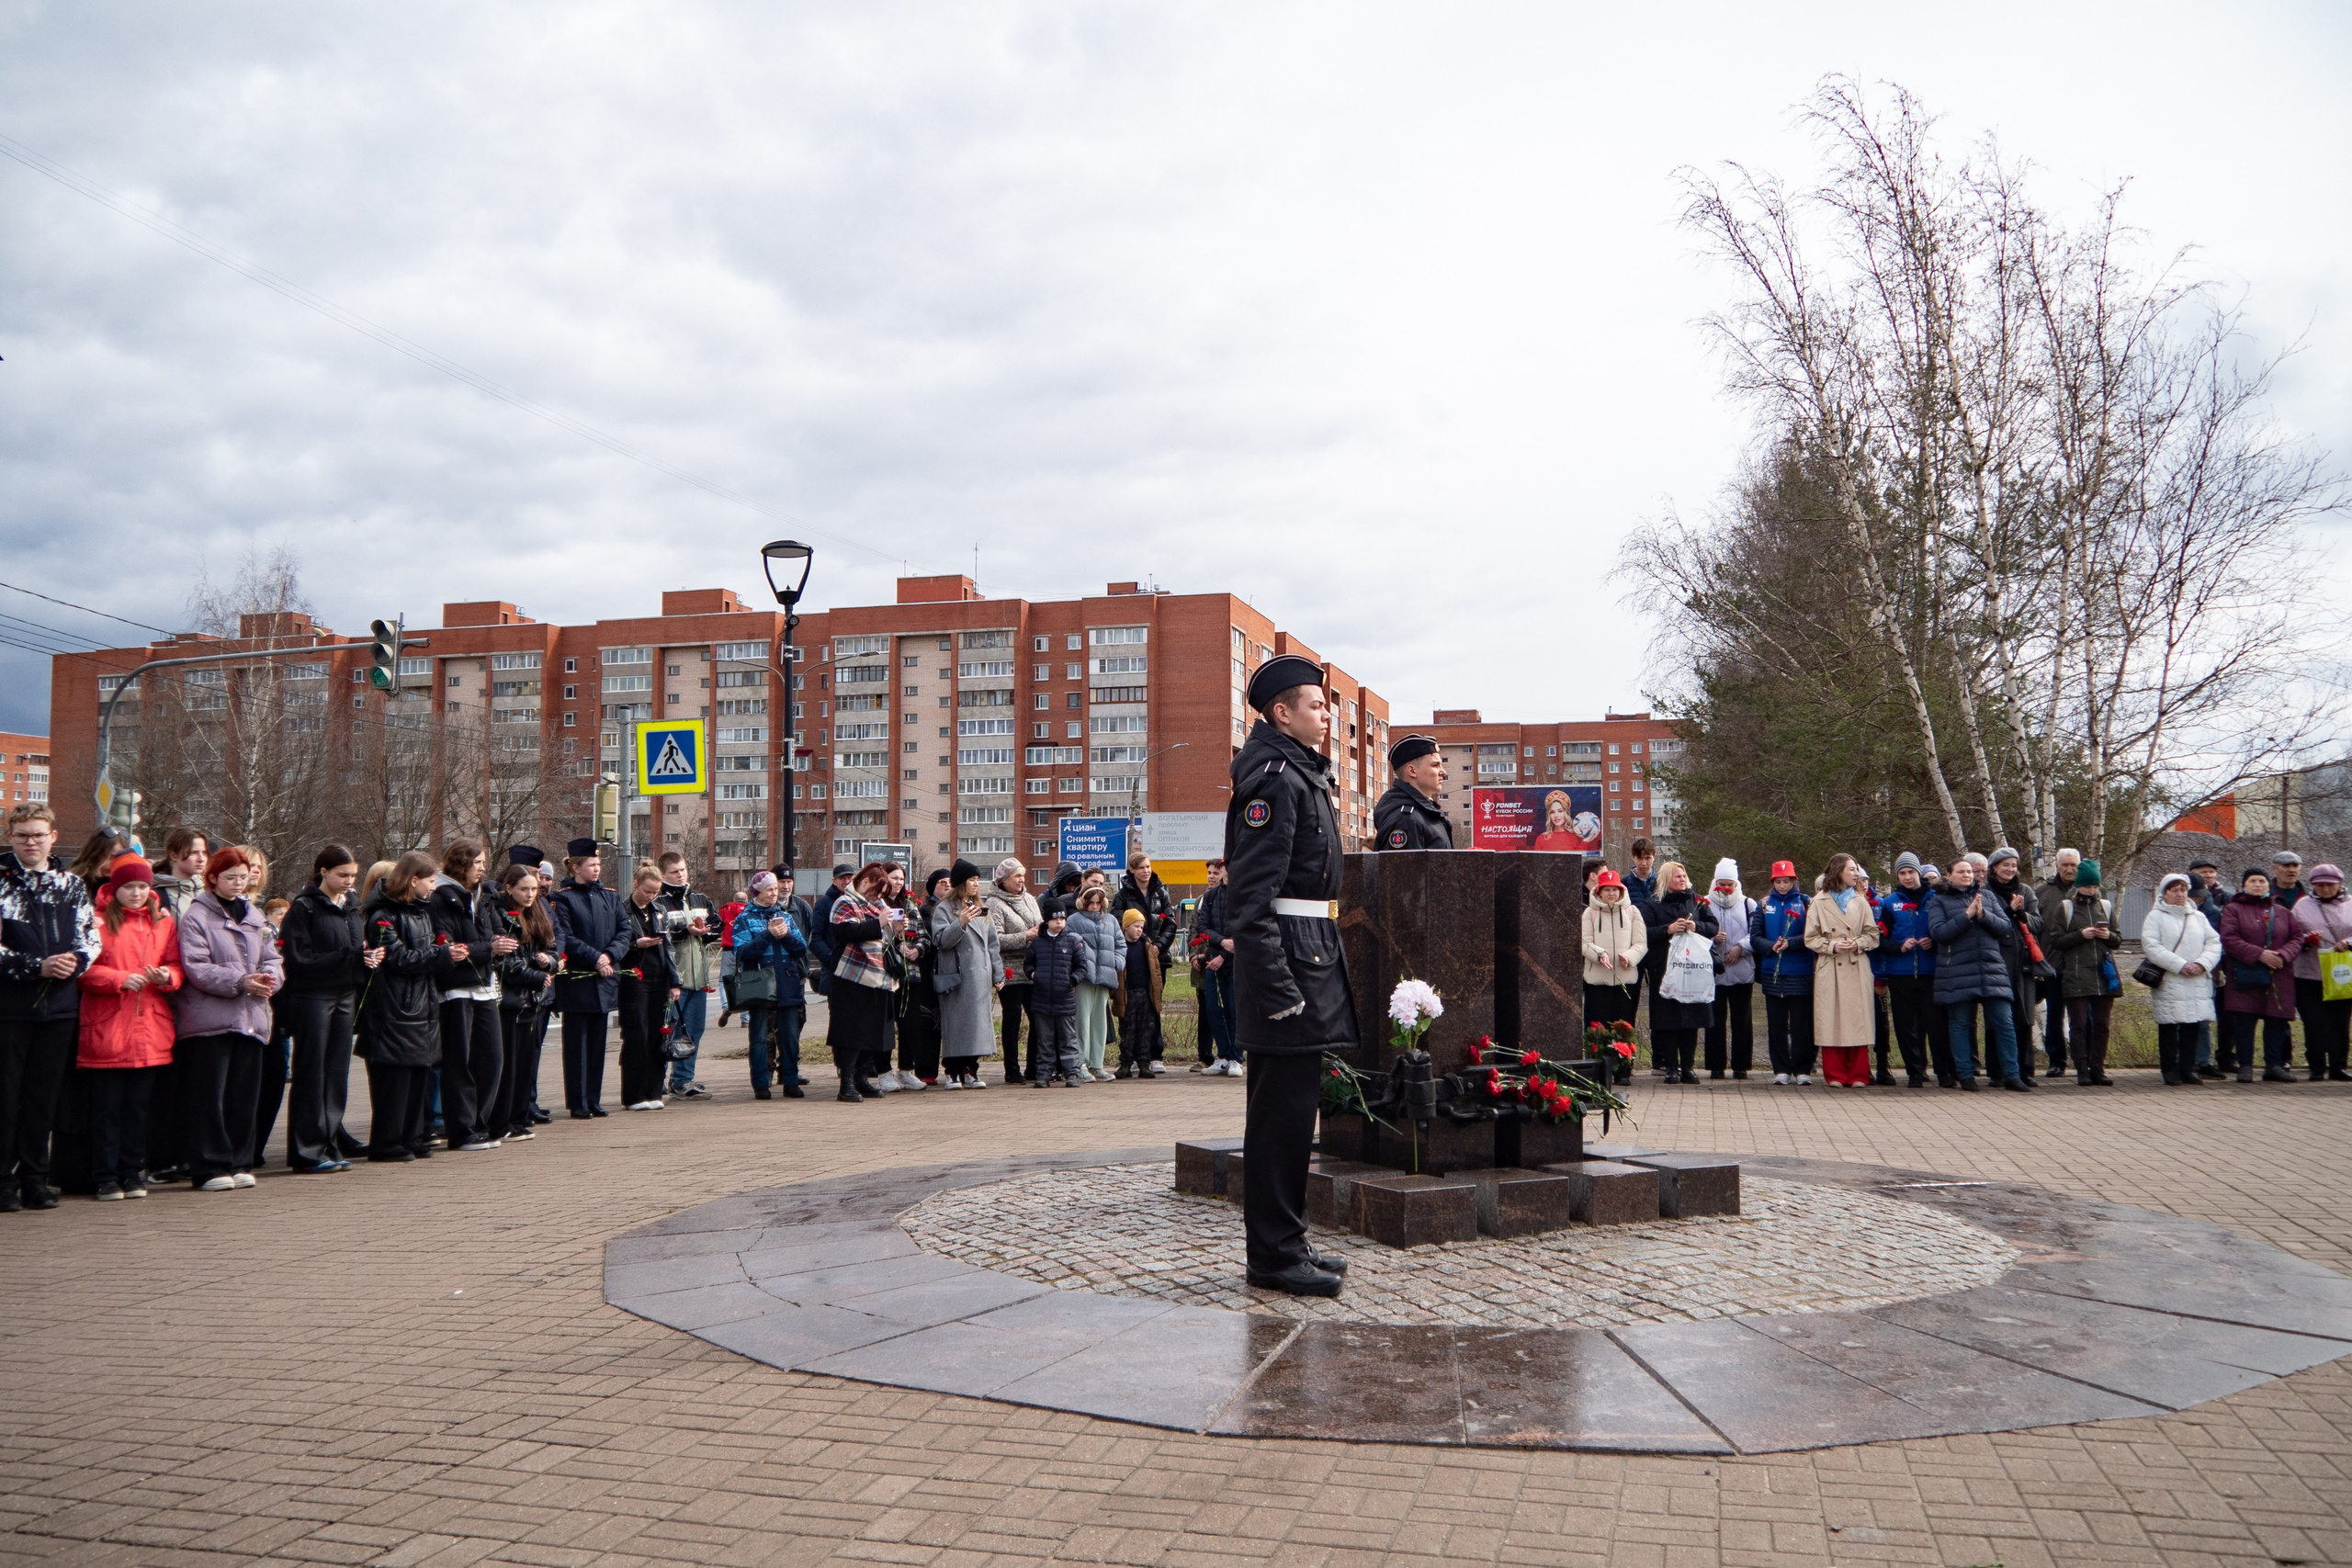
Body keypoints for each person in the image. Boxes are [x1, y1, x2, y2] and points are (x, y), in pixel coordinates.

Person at [1226, 652, 1357, 1298]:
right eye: (1315, 704)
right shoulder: (1276, 777)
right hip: (1290, 967)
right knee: (1279, 1119)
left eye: (1327, 704)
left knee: (1293, 1113)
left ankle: (1288, 1238)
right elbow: (1251, 899)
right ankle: (1273, 1256)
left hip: (1309, 953)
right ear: (1281, 712)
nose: (1327, 713)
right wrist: (1277, 989)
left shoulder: (1301, 771)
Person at [0, 804, 101, 1212]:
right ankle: (3, 1183)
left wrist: (74, 962)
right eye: (23, 834)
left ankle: (36, 1181)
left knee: (44, 1099)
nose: (31, 842)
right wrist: (33, 966)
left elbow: (90, 938)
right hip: (9, 1007)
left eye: (38, 834)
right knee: (6, 1099)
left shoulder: (70, 884)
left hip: (58, 1009)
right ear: (11, 835)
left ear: (53, 837)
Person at [171, 844, 283, 1191]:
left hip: (251, 1016)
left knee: (243, 1094)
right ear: (213, 878)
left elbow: (272, 958)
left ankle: (239, 1161)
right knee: (209, 1095)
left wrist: (269, 980)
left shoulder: (255, 916)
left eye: (243, 878)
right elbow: (197, 967)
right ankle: (208, 1166)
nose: (238, 884)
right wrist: (240, 981)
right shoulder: (198, 916)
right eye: (230, 878)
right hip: (210, 1019)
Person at [75, 855, 182, 1200]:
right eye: (129, 887)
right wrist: (120, 979)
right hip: (108, 1028)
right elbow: (82, 969)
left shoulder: (162, 921)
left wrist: (168, 977)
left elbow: (175, 964)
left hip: (150, 1029)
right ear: (114, 888)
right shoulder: (97, 920)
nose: (137, 893)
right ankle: (105, 1175)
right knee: (107, 1110)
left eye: (142, 886)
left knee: (138, 1109)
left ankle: (131, 1172)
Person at [277, 845, 373, 1172]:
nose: (349, 881)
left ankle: (329, 1144)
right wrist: (351, 957)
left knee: (336, 1073)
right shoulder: (305, 908)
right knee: (311, 1072)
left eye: (353, 876)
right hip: (313, 997)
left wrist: (369, 960)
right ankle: (306, 1151)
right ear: (323, 872)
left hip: (345, 994)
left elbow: (357, 950)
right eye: (341, 875)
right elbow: (299, 960)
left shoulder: (351, 907)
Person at [356, 852, 442, 1160]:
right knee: (394, 1081)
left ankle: (412, 1136)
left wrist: (441, 955)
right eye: (431, 880)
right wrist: (442, 957)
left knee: (418, 1075)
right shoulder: (382, 916)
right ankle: (388, 1142)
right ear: (414, 880)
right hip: (394, 1008)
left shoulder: (420, 912)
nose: (434, 887)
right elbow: (397, 958)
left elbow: (426, 951)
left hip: (421, 1006)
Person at [429, 840, 508, 1149]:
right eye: (478, 863)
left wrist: (492, 947)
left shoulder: (482, 896)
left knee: (491, 1058)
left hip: (485, 986)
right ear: (461, 863)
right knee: (459, 1062)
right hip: (456, 990)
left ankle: (479, 1123)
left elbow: (488, 935)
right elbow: (449, 947)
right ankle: (461, 1130)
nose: (483, 868)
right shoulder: (440, 898)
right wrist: (488, 949)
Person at [548, 840, 630, 1118]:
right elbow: (566, 937)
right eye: (591, 865)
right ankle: (578, 1101)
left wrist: (609, 955)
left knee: (597, 1044)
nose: (597, 869)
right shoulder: (563, 898)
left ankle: (594, 1098)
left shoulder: (610, 896)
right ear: (575, 867)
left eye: (598, 864)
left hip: (604, 979)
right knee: (576, 1046)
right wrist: (595, 958)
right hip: (579, 981)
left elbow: (624, 931)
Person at [1928, 857, 2022, 1090]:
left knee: (2004, 1023)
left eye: (1970, 871)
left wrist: (1982, 915)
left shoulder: (1987, 897)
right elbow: (1939, 933)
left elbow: (2005, 928)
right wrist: (1967, 915)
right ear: (1948, 875)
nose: (1968, 875)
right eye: (1961, 872)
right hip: (1957, 971)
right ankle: (1966, 1075)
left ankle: (2012, 1074)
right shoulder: (1938, 901)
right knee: (1960, 1024)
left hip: (1990, 968)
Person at [2217, 867, 2308, 1082]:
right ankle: (2245, 1066)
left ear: (2269, 885)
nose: (2258, 885)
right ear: (2244, 885)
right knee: (2245, 1021)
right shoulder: (2233, 909)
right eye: (2253, 881)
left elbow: (2297, 938)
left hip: (2279, 974)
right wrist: (2259, 954)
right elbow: (2229, 938)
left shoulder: (2282, 911)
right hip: (2247, 973)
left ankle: (2274, 1066)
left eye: (2262, 881)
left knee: (2276, 1021)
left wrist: (2283, 955)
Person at [490, 862, 557, 1138]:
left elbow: (551, 948)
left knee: (525, 1064)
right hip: (510, 1000)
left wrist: (550, 962)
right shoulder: (502, 916)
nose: (531, 894)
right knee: (508, 1065)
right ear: (509, 888)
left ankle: (518, 1118)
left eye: (533, 889)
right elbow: (507, 964)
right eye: (524, 889)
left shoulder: (537, 912)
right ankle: (501, 1121)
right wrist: (536, 976)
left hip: (532, 1001)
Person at [825, 863, 901, 1101]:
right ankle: (845, 1084)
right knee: (851, 1033)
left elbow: (886, 939)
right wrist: (878, 923)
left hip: (877, 978)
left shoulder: (877, 904)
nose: (877, 898)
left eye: (881, 895)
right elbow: (847, 933)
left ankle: (861, 1079)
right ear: (865, 882)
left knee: (870, 1033)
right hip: (851, 978)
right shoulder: (843, 902)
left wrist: (897, 929)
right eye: (875, 892)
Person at [1803, 852, 1878, 1088]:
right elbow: (1810, 937)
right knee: (1831, 1019)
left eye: (1857, 870)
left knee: (1858, 1020)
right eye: (1852, 870)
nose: (1857, 874)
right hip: (1830, 965)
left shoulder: (1860, 900)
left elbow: (1873, 935)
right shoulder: (1819, 901)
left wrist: (1857, 943)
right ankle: (1834, 1074)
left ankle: (1858, 1074)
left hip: (1856, 964)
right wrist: (1832, 945)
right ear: (1839, 872)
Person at [2044, 858, 2122, 1087]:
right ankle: (2081, 1069)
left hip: (2103, 975)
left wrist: (2107, 936)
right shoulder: (2066, 907)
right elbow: (2056, 941)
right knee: (2078, 1025)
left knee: (2102, 1025)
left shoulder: (2105, 906)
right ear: (2078, 885)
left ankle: (2097, 1067)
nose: (2091, 890)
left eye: (2095, 886)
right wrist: (2081, 935)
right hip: (2075, 974)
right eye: (2088, 886)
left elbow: (2117, 939)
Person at [732, 871, 808, 1100]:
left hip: (787, 981)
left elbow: (801, 948)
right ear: (757, 892)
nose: (774, 893)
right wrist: (767, 934)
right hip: (760, 983)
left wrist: (785, 936)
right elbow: (743, 952)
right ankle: (761, 1084)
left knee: (790, 1035)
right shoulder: (745, 918)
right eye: (769, 889)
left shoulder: (785, 916)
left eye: (775, 888)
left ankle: (790, 1081)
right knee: (759, 1037)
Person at [1638, 861, 1716, 1084]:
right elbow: (1643, 934)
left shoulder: (1697, 902)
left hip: (1692, 970)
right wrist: (1668, 929)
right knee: (1668, 1021)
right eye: (1677, 877)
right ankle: (1671, 1067)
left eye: (1684, 875)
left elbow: (1713, 927)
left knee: (1691, 1019)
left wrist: (1696, 927)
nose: (1682, 879)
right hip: (1664, 969)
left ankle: (1688, 1067)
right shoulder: (1652, 904)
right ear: (1665, 881)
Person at [2143, 873, 2222, 1086]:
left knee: (2193, 1025)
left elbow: (2214, 942)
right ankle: (2169, 1070)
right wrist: (2180, 965)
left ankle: (2188, 1068)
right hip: (2171, 978)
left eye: (2183, 890)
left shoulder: (2198, 917)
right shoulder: (2155, 917)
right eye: (2174, 890)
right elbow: (2152, 946)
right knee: (2169, 1025)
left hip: (2197, 978)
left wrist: (2201, 964)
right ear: (2165, 893)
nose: (2180, 894)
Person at [615, 863, 682, 1111]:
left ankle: (654, 1091)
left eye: (655, 892)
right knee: (636, 1034)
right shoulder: (622, 910)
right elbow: (618, 944)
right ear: (636, 885)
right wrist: (636, 944)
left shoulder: (659, 910)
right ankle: (633, 1094)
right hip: (634, 979)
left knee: (658, 1034)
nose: (651, 896)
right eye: (647, 891)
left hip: (659, 978)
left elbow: (669, 949)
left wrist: (675, 981)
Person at [930, 860, 1001, 1090]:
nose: (976, 885)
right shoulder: (944, 909)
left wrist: (997, 973)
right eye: (972, 880)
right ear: (961, 883)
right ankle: (952, 1071)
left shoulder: (980, 907)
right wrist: (960, 922)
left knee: (977, 1027)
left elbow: (992, 944)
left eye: (978, 880)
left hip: (979, 977)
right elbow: (940, 941)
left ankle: (971, 1070)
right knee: (957, 1026)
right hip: (957, 977)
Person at [654, 852, 718, 1099]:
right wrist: (684, 931)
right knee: (666, 1031)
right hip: (672, 979)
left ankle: (683, 1080)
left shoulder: (700, 898)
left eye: (683, 870)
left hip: (698, 978)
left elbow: (717, 925)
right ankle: (657, 1080)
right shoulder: (658, 901)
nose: (680, 875)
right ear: (663, 875)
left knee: (693, 1031)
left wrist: (707, 931)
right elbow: (660, 935)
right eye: (674, 872)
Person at [1982, 849, 2043, 1087]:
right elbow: (1986, 922)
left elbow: (2038, 923)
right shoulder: (1984, 892)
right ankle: (1996, 1072)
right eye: (2005, 865)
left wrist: (2021, 912)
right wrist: (2009, 912)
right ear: (1994, 867)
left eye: (2014, 865)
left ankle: (2025, 1070)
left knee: (2024, 1016)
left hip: (2024, 962)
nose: (2010, 869)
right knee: (1997, 1017)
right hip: (1995, 961)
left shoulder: (2025, 891)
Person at [1875, 854, 1937, 1087]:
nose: (1908, 877)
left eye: (1911, 872)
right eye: (1902, 873)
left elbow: (1943, 930)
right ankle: (1914, 1071)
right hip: (1900, 972)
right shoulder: (1890, 902)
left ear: (1919, 872)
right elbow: (1880, 939)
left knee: (1933, 1022)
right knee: (1905, 1024)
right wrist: (1899, 946)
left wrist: (1934, 942)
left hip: (1930, 971)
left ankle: (1941, 1070)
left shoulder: (1935, 898)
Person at [1582, 868, 1646, 1084]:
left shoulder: (1632, 912)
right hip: (1597, 980)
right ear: (1599, 892)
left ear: (1621, 891)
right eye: (1607, 890)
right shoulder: (1589, 913)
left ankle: (1623, 1069)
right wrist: (1598, 953)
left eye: (1615, 890)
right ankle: (1600, 1069)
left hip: (1625, 979)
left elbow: (1640, 943)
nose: (1611, 894)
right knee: (1598, 1026)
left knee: (1624, 1025)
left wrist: (1629, 956)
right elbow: (1583, 942)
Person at [1751, 861, 1814, 1085]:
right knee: (1776, 1024)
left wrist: (1791, 943)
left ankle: (1803, 1069)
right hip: (1772, 973)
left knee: (1800, 1025)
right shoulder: (1764, 904)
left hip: (1800, 972)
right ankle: (1781, 1070)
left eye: (1786, 881)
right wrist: (1770, 946)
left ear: (1793, 881)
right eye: (1778, 881)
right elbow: (1755, 937)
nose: (1783, 885)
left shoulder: (1806, 902)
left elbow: (1811, 936)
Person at [2291, 863, 2352, 1082]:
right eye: (2320, 885)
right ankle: (2316, 1066)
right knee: (2314, 1022)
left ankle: (2338, 1066)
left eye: (2330, 885)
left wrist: (2348, 942)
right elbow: (2292, 935)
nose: (2325, 889)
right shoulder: (2302, 906)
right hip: (2309, 974)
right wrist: (2307, 940)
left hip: (2340, 973)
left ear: (2340, 884)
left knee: (2340, 1022)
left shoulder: (2350, 904)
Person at [987, 859, 1042, 1084]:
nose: (1021, 880)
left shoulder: (1030, 899)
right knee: (1012, 1019)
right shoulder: (994, 904)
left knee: (1038, 1017)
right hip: (1009, 970)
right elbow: (995, 940)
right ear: (1003, 880)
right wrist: (1026, 936)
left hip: (1031, 968)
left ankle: (1034, 1066)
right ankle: (1012, 1069)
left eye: (1023, 875)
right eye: (1016, 876)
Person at [1023, 897, 1086, 1087]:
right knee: (1045, 1040)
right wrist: (1033, 974)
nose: (1059, 922)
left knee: (1068, 1039)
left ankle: (1072, 1073)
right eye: (1055, 919)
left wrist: (1072, 980)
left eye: (1062, 919)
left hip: (1065, 999)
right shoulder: (1037, 943)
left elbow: (1081, 966)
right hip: (1042, 1000)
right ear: (1046, 920)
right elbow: (1028, 963)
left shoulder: (1072, 941)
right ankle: (1043, 1074)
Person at [895, 870, 947, 1089]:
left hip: (939, 972)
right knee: (921, 1021)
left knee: (932, 1022)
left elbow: (924, 939)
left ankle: (922, 1069)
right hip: (917, 974)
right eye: (942, 882)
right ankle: (921, 1070)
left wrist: (918, 947)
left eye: (951, 882)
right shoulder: (924, 910)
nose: (947, 886)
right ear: (932, 886)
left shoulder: (958, 908)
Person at [1702, 860, 1756, 1079]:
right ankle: (1716, 1065)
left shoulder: (1748, 904)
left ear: (1736, 884)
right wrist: (1713, 941)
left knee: (1741, 1020)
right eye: (1720, 884)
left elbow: (1757, 933)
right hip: (1714, 972)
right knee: (1714, 1020)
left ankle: (1741, 1065)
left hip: (1742, 969)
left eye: (1729, 884)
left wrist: (1740, 947)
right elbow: (1697, 933)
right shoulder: (1704, 903)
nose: (1724, 889)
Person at [1069, 884, 1124, 1081]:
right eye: (1090, 903)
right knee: (1082, 1021)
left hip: (1105, 976)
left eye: (1097, 903)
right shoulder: (1074, 920)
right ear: (1082, 901)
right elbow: (1069, 943)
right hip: (1084, 977)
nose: (1094, 907)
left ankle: (1097, 1064)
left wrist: (1116, 962)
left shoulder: (1110, 921)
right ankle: (1080, 1063)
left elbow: (1120, 943)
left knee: (1100, 1022)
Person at [2037, 848, 2081, 1077]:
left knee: (2083, 1017)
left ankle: (2085, 1060)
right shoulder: (2043, 893)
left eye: (2073, 864)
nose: (2069, 869)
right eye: (2065, 865)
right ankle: (2056, 1061)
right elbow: (2036, 929)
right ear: (2057, 865)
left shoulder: (2090, 890)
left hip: (2082, 967)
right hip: (2052, 965)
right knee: (2055, 1015)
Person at [2187, 857, 2229, 1078]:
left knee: (2204, 1018)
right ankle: (2181, 1060)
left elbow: (2220, 943)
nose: (2196, 901)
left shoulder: (2215, 912)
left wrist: (2205, 963)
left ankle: (2203, 1061)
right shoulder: (2168, 911)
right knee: (2179, 1018)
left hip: (2207, 972)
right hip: (2179, 971)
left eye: (2199, 896)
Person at [1373, 734, 1452, 850]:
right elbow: (1405, 867)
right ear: (1412, 771)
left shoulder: (1423, 815)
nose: (1443, 771)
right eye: (1435, 765)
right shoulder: (1406, 820)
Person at [1110, 908, 1163, 1076]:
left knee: (1146, 1031)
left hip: (1145, 996)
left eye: (1141, 927)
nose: (1140, 930)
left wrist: (1157, 991)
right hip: (1127, 995)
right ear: (1125, 928)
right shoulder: (1120, 947)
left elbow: (1156, 971)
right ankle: (1125, 1062)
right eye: (1136, 926)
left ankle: (1144, 1063)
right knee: (1127, 1031)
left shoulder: (1146, 946)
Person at [1114, 852, 1179, 962]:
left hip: (1159, 955)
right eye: (1141, 868)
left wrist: (1159, 946)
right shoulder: (1122, 896)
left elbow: (1170, 924)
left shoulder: (1162, 894)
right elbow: (1118, 924)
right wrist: (1138, 944)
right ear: (1132, 870)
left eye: (1148, 867)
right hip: (1133, 954)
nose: (1146, 871)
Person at [805, 863, 854, 998]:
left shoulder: (860, 902)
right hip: (835, 974)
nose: (847, 882)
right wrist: (833, 959)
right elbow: (815, 940)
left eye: (849, 877)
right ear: (834, 881)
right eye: (842, 878)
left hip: (857, 972)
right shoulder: (824, 904)